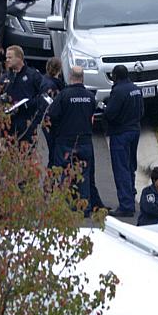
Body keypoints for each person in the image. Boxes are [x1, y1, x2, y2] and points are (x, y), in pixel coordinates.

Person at [44, 64, 99, 214]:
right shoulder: (90, 96)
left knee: (64, 173)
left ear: (70, 78)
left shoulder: (63, 95)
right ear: (82, 78)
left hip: (65, 141)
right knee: (85, 175)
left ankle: (67, 207)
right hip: (85, 141)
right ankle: (85, 208)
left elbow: (52, 116)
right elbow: (93, 115)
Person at [103, 64, 143, 217]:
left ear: (115, 76)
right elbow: (142, 111)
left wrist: (105, 109)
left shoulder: (118, 91)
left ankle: (126, 205)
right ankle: (130, 196)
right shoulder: (136, 89)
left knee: (121, 169)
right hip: (135, 130)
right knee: (130, 165)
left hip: (121, 133)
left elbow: (110, 113)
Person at [0, 45, 45, 143]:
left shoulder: (33, 76)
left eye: (10, 57)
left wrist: (35, 119)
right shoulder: (4, 78)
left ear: (19, 58)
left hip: (27, 124)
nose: (7, 60)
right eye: (6, 58)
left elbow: (45, 97)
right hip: (8, 124)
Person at [40, 56, 64, 166]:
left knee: (53, 150)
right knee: (55, 151)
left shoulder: (44, 81)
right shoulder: (54, 85)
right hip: (52, 123)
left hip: (45, 121)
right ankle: (51, 177)